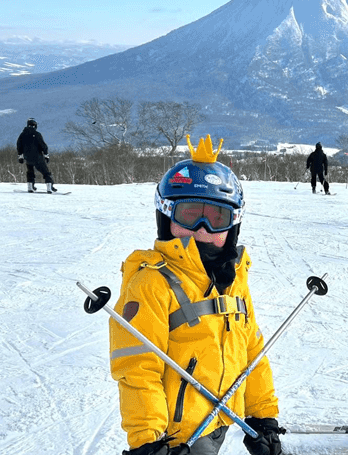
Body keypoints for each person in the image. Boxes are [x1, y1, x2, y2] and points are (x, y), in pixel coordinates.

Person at [111, 134, 288, 455]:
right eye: (190, 215)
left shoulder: (232, 277)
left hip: (219, 419)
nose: (203, 229)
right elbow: (137, 367)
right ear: (166, 217)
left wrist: (263, 416)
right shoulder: (151, 282)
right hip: (175, 436)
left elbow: (252, 351)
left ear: (233, 224)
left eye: (217, 217)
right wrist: (148, 439)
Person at [17, 118, 57, 193]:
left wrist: (20, 156)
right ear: (35, 126)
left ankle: (30, 187)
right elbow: (43, 146)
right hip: (37, 157)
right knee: (46, 172)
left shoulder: (22, 135)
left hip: (27, 157)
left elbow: (19, 146)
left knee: (30, 171)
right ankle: (49, 187)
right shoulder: (37, 134)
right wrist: (46, 155)